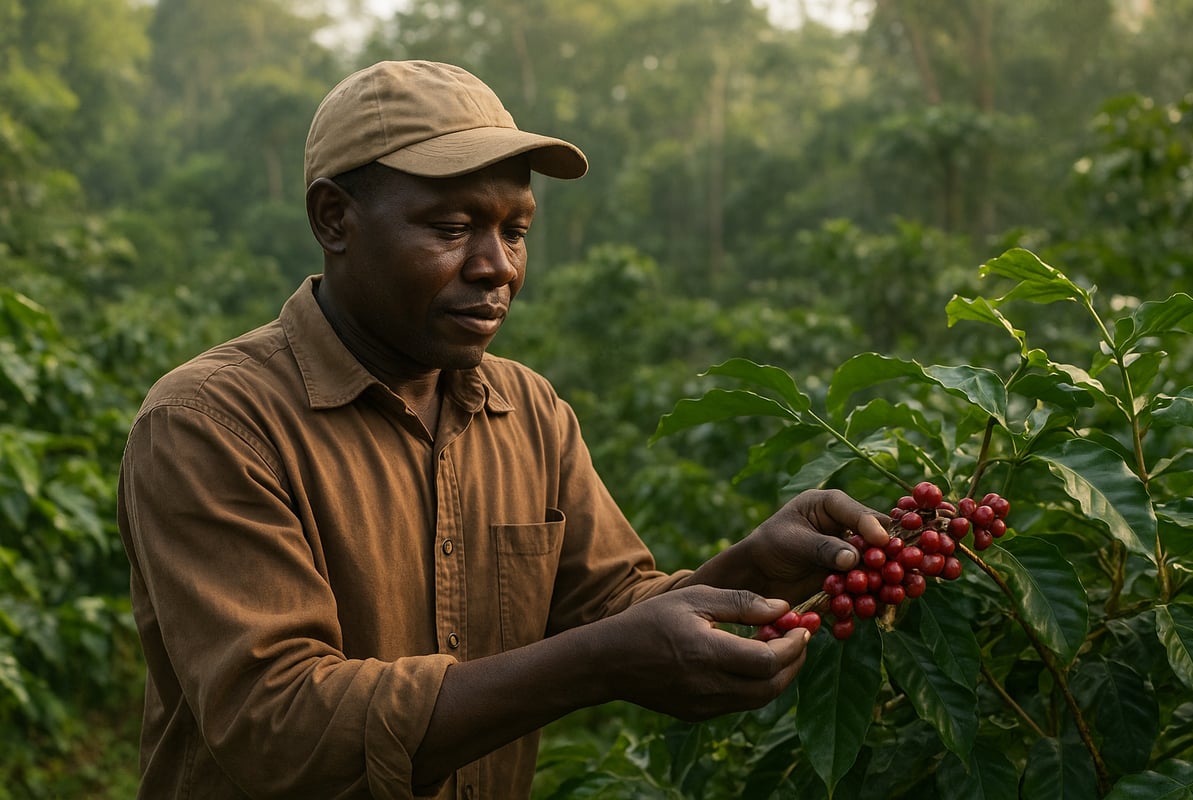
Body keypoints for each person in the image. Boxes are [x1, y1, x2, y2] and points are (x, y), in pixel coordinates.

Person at [117, 59, 889, 799]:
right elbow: (278, 727)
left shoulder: (528, 412)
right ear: (334, 219)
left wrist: (759, 567)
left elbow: (616, 610)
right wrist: (597, 665)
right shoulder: (212, 424)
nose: (498, 268)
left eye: (515, 231)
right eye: (452, 227)